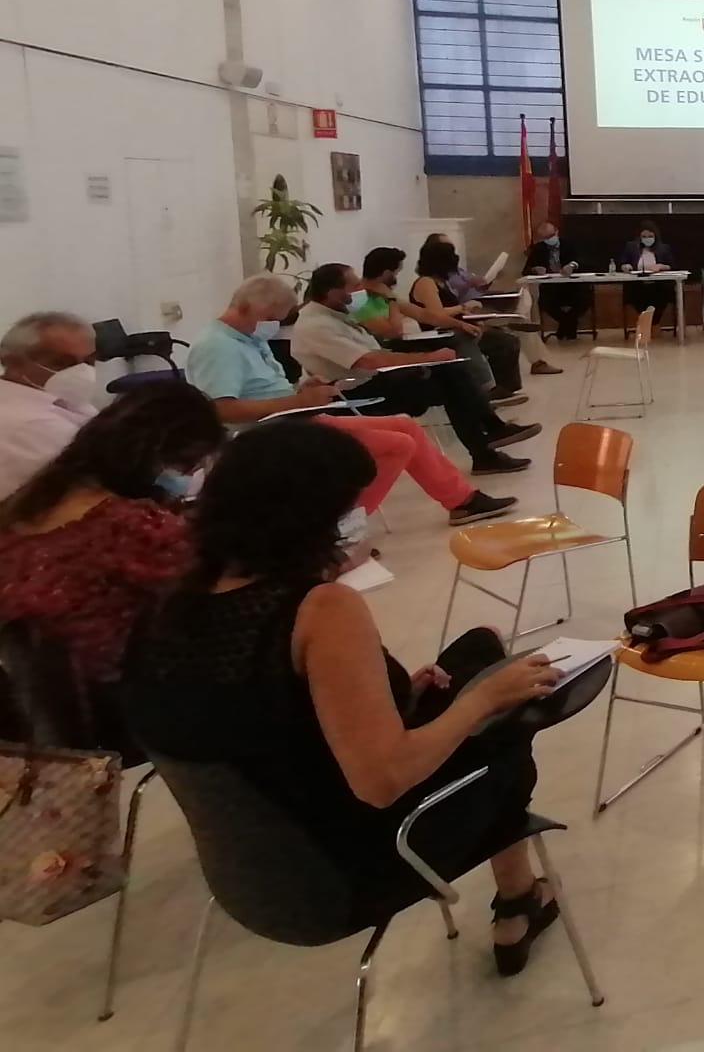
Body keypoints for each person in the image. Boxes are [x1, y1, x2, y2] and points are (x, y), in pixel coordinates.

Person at [124, 421, 571, 974]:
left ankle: (520, 897)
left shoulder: (167, 607)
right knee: (502, 717)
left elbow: (251, 715)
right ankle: (518, 898)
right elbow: (382, 782)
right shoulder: (319, 610)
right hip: (350, 868)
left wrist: (388, 697)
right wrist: (480, 704)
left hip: (250, 872)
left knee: (473, 658)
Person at [184, 274, 520, 523]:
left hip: (297, 416)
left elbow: (264, 389)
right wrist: (296, 402)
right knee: (396, 445)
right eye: (273, 319)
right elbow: (221, 410)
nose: (275, 328)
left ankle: (461, 500)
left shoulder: (248, 339)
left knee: (404, 426)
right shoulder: (219, 347)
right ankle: (339, 526)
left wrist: (300, 392)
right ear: (250, 309)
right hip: (268, 433)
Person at [0, 381, 225, 745]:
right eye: (186, 465)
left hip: (52, 717)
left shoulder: (31, 500)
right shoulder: (126, 524)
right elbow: (218, 592)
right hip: (130, 707)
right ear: (154, 454)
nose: (186, 479)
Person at [291, 264, 540, 475]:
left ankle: (489, 440)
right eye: (354, 287)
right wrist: (428, 357)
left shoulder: (339, 313)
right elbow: (369, 360)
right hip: (353, 394)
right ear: (334, 293)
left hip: (375, 379)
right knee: (450, 378)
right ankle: (487, 443)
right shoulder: (316, 325)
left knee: (451, 372)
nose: (361, 291)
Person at [394, 243, 524, 405]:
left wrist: (469, 314)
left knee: (506, 339)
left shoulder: (442, 282)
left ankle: (505, 388)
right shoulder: (425, 283)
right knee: (484, 340)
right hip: (442, 331)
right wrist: (463, 307)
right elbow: (436, 314)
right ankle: (488, 389)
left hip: (457, 324)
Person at [426, 232, 560, 376]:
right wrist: (468, 286)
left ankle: (521, 323)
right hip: (473, 307)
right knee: (521, 319)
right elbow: (449, 297)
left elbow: (475, 287)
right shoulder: (437, 276)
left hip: (482, 299)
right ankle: (535, 357)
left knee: (523, 293)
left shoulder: (457, 269)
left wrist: (486, 280)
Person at [0, 312, 97, 499]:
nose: (82, 371)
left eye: (89, 361)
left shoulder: (62, 400)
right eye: (63, 363)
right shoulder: (28, 423)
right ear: (13, 362)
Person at [523, 221, 591, 342]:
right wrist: (535, 269)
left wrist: (572, 265)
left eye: (550, 236)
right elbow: (525, 270)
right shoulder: (538, 248)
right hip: (551, 288)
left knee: (585, 299)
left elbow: (582, 261)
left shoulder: (569, 244)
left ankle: (564, 327)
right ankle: (569, 325)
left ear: (557, 232)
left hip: (572, 286)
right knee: (545, 302)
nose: (549, 240)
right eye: (545, 238)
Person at [614, 225, 678, 334]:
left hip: (659, 285)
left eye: (650, 236)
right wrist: (625, 266)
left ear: (655, 236)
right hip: (638, 285)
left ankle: (653, 324)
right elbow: (622, 262)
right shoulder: (631, 247)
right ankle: (647, 323)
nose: (647, 238)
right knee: (637, 295)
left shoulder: (664, 248)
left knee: (661, 295)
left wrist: (661, 266)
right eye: (644, 236)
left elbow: (673, 265)